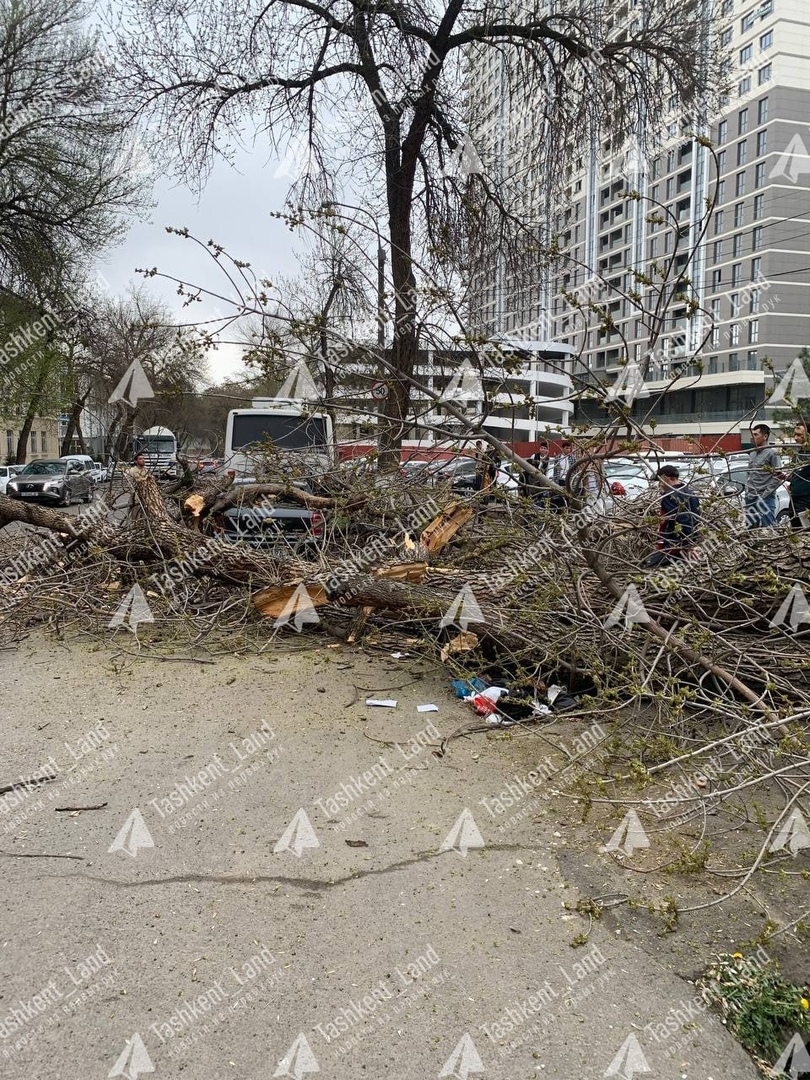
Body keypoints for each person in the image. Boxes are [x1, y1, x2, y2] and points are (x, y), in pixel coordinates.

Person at [643, 465, 700, 568]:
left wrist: (687, 545)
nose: (660, 485)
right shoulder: (691, 493)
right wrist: (692, 542)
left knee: (648, 566)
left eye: (660, 481)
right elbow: (696, 518)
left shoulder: (669, 496)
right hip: (689, 541)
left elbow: (683, 520)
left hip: (674, 545)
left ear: (665, 478)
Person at [745, 423, 782, 528]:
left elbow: (778, 476)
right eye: (752, 435)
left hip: (765, 497)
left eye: (756, 435)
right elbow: (749, 473)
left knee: (768, 528)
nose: (753, 437)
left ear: (765, 436)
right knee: (750, 529)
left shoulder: (772, 453)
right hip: (750, 497)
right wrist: (747, 491)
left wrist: (765, 494)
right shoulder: (752, 453)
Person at [787, 420, 810, 529]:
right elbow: (797, 474)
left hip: (806, 500)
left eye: (799, 435)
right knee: (795, 529)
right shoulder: (798, 453)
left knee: (805, 530)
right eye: (795, 435)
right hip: (794, 499)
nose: (796, 438)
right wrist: (788, 479)